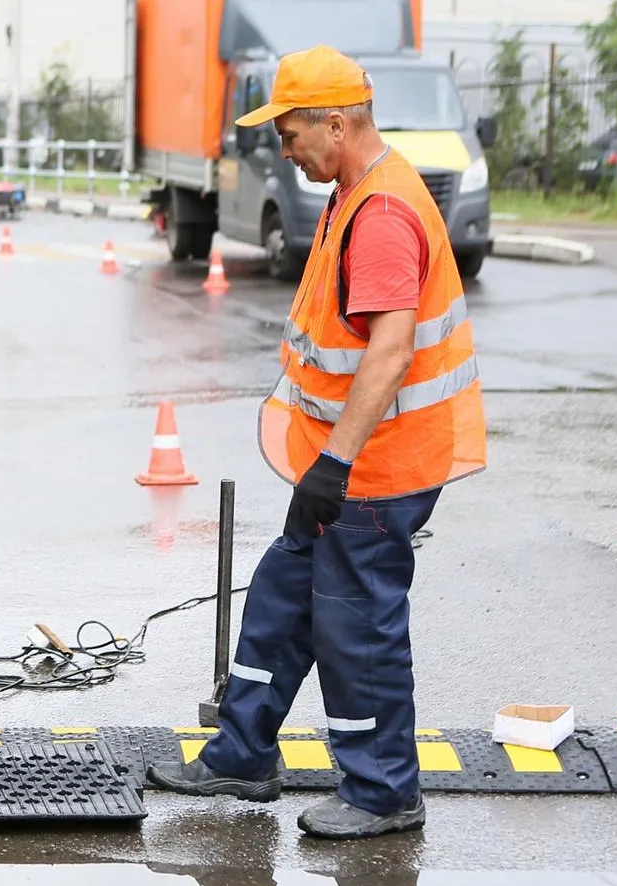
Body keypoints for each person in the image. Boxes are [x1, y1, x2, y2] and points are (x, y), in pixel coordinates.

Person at [145, 45, 486, 840]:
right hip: (341, 466)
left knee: (355, 621)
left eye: (292, 133)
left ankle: (382, 791)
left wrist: (334, 464)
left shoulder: (383, 213)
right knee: (283, 594)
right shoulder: (351, 191)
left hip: (374, 468)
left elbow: (391, 352)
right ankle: (243, 748)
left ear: (337, 123)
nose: (284, 149)